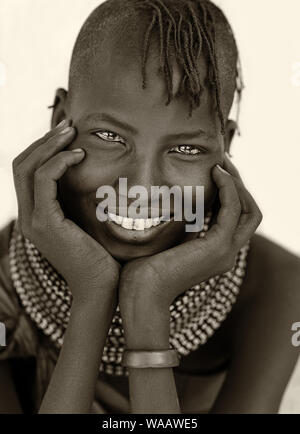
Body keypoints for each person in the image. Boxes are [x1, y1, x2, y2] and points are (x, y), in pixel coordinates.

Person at [0, 0, 299, 414]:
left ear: (225, 145)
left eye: (186, 148)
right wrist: (91, 295)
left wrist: (148, 303)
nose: (141, 187)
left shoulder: (277, 287)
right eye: (110, 137)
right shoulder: (4, 279)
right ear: (61, 120)